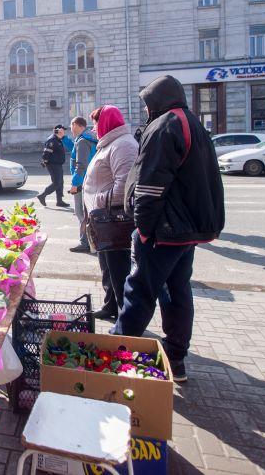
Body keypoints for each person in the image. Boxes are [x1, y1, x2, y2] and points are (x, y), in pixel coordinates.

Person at [111, 75, 225, 383]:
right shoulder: (191, 123)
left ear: (156, 102)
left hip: (163, 230)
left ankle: (117, 354)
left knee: (139, 291)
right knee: (177, 292)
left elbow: (150, 185)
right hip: (183, 230)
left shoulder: (165, 126)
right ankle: (176, 359)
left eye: (147, 103)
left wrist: (144, 228)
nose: (145, 109)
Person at [82, 106, 139, 321]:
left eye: (96, 123)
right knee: (107, 266)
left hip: (113, 219)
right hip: (102, 218)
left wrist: (97, 201)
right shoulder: (109, 144)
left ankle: (126, 317)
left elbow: (124, 185)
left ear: (106, 122)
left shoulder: (123, 145)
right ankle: (111, 306)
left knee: (118, 268)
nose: (94, 127)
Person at [68, 116, 98, 253]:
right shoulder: (89, 137)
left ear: (77, 124)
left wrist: (75, 183)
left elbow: (81, 165)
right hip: (90, 180)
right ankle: (92, 241)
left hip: (82, 181)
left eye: (71, 125)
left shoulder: (82, 141)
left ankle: (85, 243)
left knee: (81, 213)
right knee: (87, 213)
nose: (70, 128)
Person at [37, 125, 71, 208]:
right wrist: (45, 161)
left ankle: (59, 201)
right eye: (63, 130)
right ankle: (42, 195)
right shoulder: (52, 140)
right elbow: (46, 153)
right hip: (53, 164)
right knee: (56, 183)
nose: (64, 132)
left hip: (58, 164)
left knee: (60, 182)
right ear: (58, 131)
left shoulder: (58, 139)